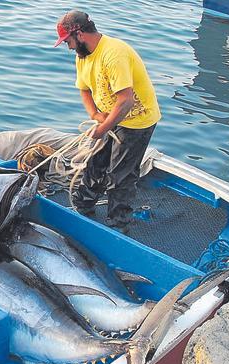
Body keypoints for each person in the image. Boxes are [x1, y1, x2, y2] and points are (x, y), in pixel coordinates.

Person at [53, 10, 161, 232]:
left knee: (120, 176)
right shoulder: (83, 57)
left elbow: (126, 101)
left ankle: (118, 226)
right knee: (96, 163)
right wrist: (95, 116)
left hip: (136, 121)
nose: (69, 47)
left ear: (80, 34)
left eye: (68, 41)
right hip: (111, 118)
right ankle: (83, 206)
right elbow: (84, 90)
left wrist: (103, 128)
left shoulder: (114, 54)